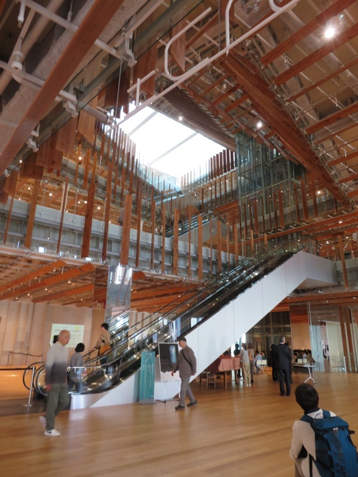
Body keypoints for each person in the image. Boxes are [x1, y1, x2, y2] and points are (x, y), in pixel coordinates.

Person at [289, 383, 335, 477]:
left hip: (323, 472)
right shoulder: (331, 415)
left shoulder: (300, 425)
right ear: (317, 397)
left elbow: (294, 454)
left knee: (298, 460)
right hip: (345, 466)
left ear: (298, 402)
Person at [39, 329, 70, 437]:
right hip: (53, 382)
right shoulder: (53, 349)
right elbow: (49, 366)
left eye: (69, 337)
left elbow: (64, 366)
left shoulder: (65, 350)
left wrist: (65, 377)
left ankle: (47, 418)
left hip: (62, 381)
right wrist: (48, 381)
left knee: (64, 401)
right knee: (52, 404)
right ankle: (49, 429)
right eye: (66, 337)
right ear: (60, 337)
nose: (68, 339)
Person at [171, 336, 197, 410]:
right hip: (182, 373)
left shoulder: (189, 350)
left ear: (183, 342)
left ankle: (181, 404)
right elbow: (178, 363)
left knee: (183, 388)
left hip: (187, 372)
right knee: (187, 387)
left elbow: (194, 361)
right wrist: (174, 370)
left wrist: (194, 370)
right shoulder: (181, 352)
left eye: (179, 341)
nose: (178, 343)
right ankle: (193, 401)